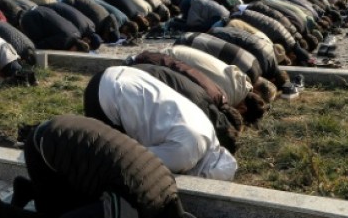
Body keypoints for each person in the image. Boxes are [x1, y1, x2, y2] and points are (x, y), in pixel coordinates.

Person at [0, 114, 192, 218]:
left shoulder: (167, 186)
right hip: (45, 148)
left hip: (66, 132)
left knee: (73, 205)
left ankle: (26, 190)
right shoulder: (133, 205)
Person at [84, 66, 237, 181]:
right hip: (107, 96)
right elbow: (135, 160)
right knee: (104, 159)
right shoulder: (185, 156)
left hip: (123, 74)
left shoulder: (207, 129)